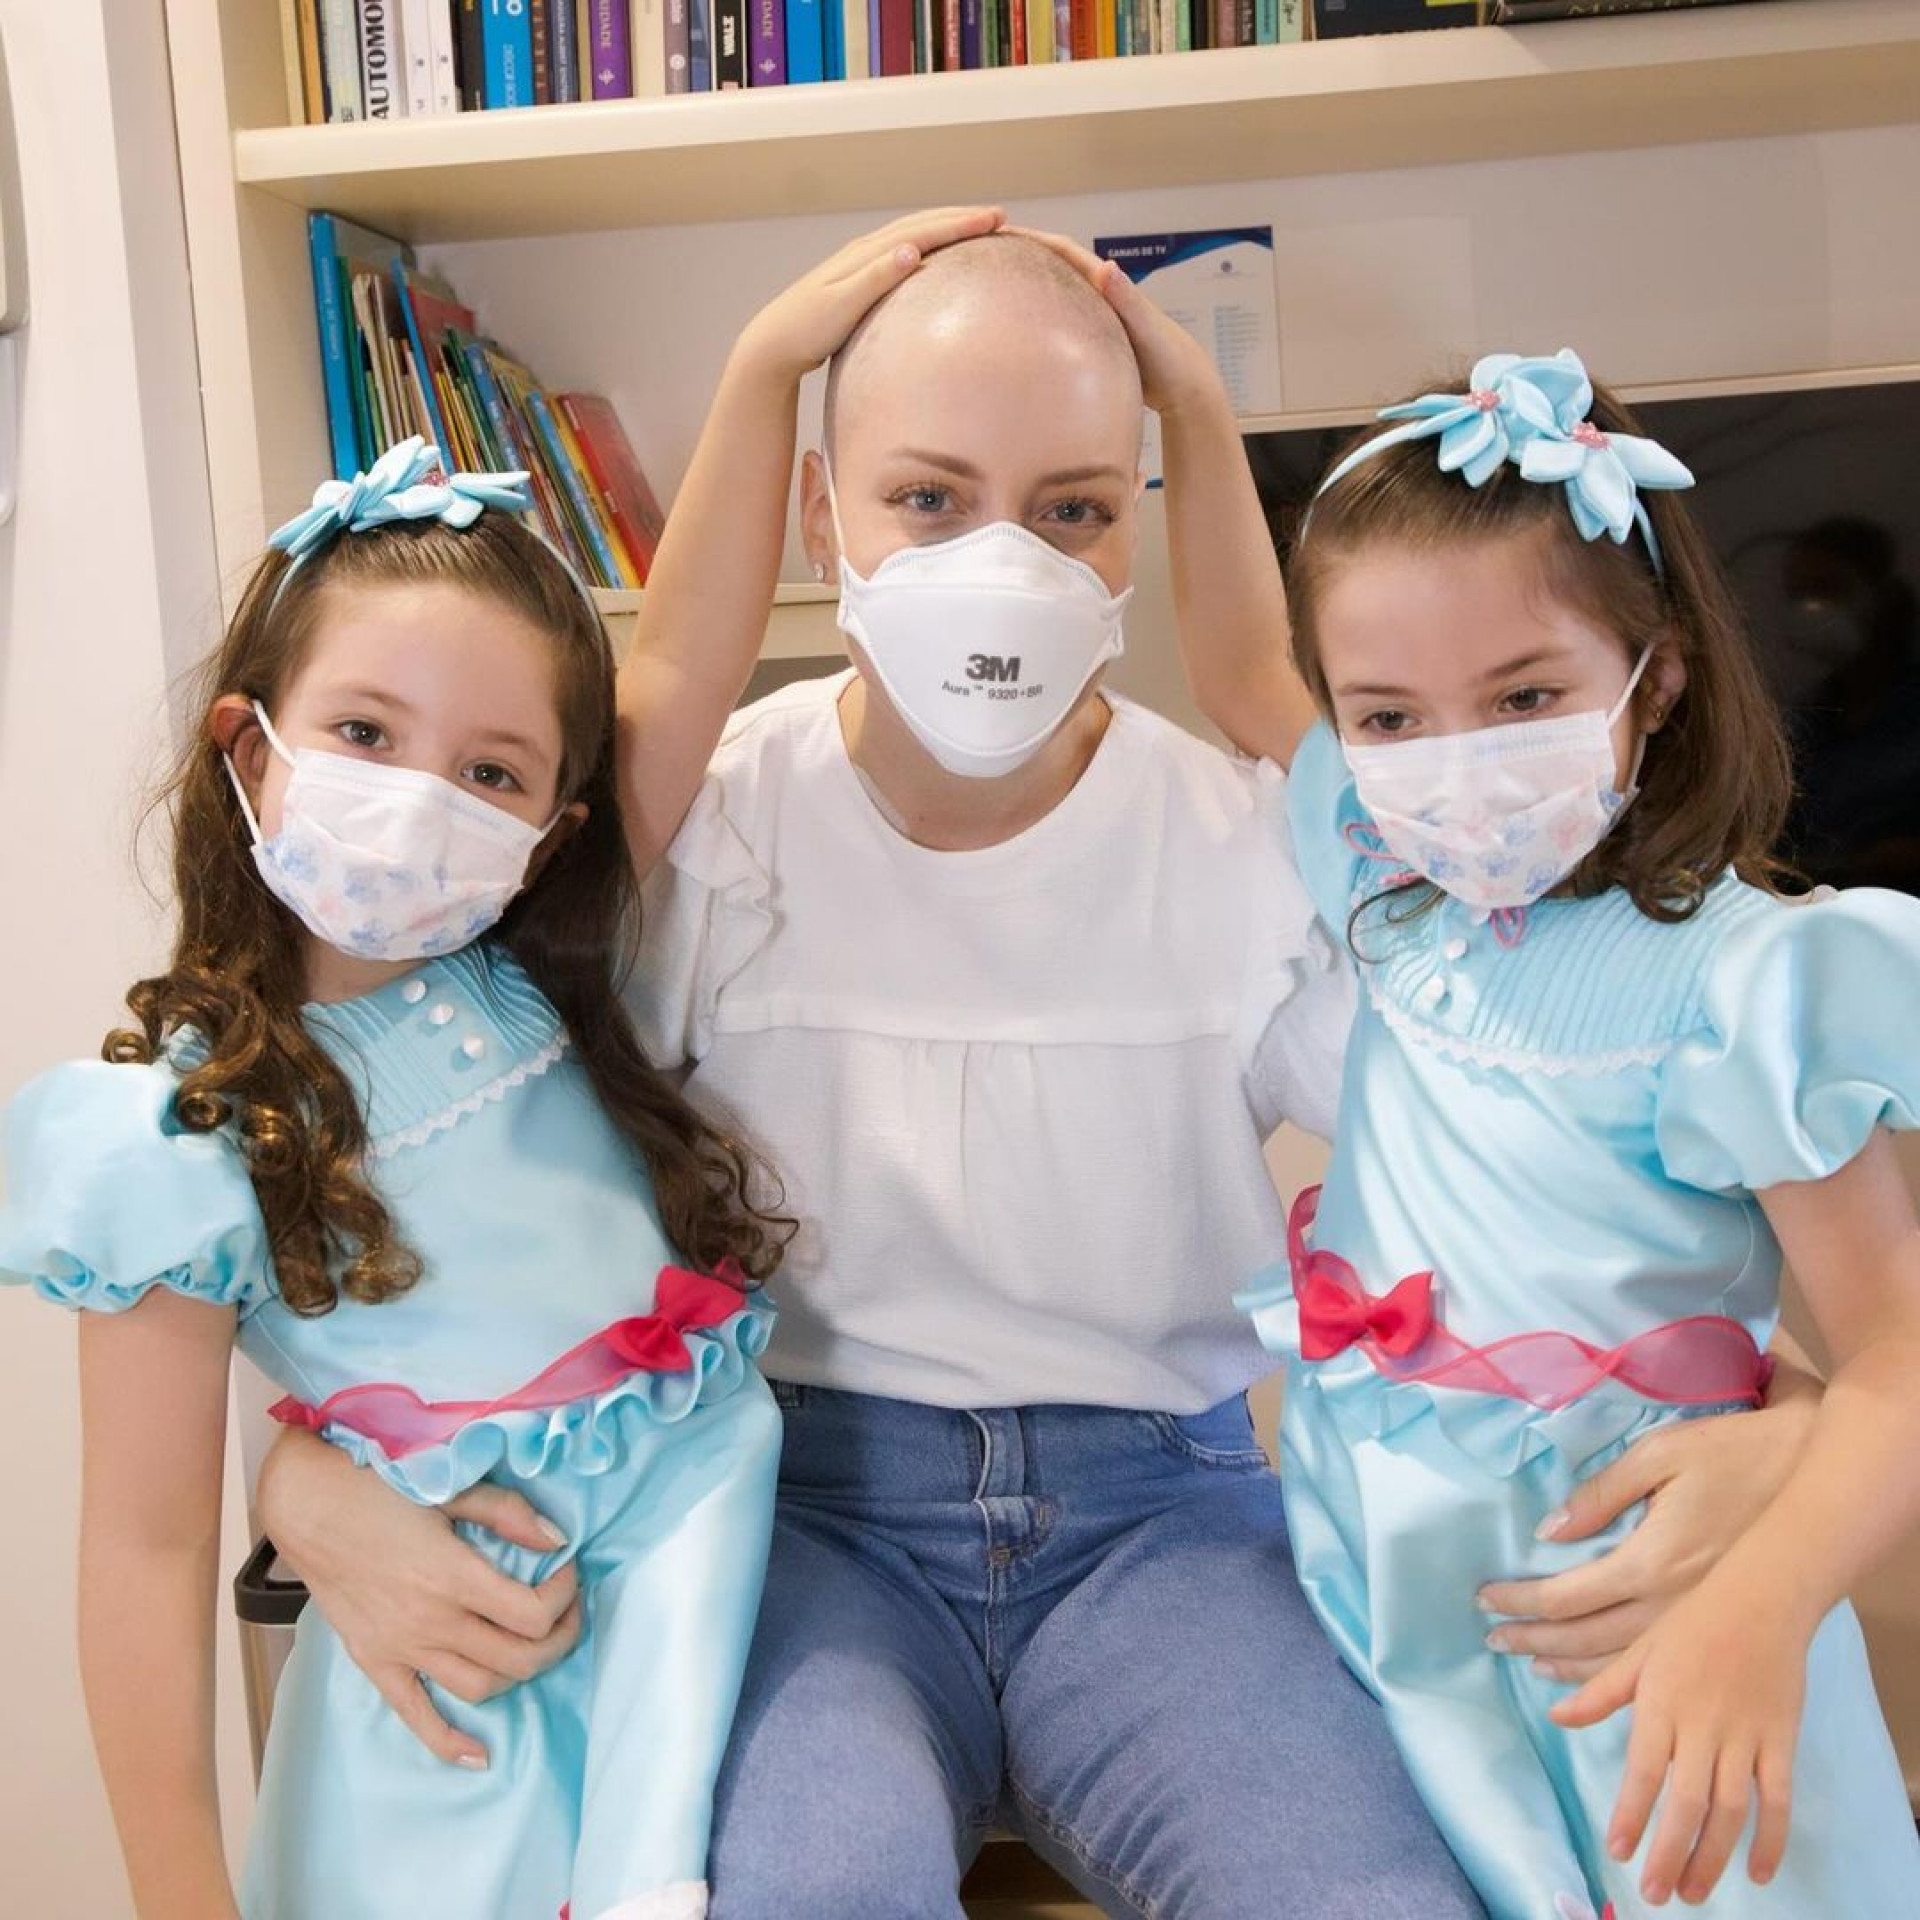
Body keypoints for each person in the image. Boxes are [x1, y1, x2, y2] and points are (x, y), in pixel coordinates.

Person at [258, 237, 1822, 1919]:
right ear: (819, 519)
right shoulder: (705, 831)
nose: (1001, 557)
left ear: (1137, 525)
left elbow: (1525, 1159)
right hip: (803, 1524)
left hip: (1173, 1528)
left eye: (1073, 507)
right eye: (928, 499)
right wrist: (294, 1481)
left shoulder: (1256, 847)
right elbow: (439, 1175)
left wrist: (1797, 1409)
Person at [0, 439, 794, 1920]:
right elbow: (145, 1548)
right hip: (451, 1691)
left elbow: (685, 651)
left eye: (490, 770)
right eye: (364, 731)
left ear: (549, 829)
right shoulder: (176, 1132)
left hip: (702, 1610)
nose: (422, 796)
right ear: (251, 747)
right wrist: (179, 1899)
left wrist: (772, 363)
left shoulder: (545, 985)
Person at [1186, 350, 1920, 1916]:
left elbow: (1898, 1359)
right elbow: (1239, 658)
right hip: (1377, 1561)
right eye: (1388, 716)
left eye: (1524, 698)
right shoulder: (1389, 889)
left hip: (1643, 1581)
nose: (1455, 762)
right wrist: (1181, 388)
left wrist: (1769, 1609)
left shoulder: (1746, 980)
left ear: (1653, 684)